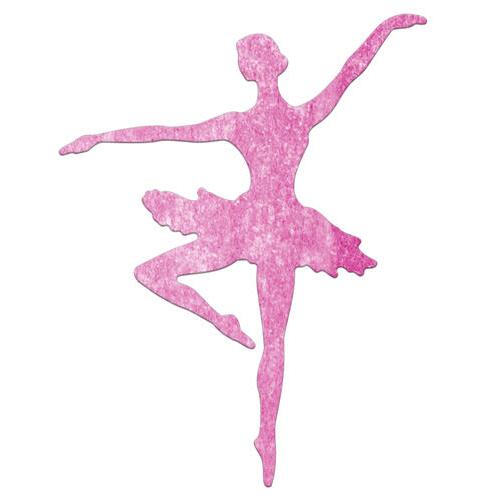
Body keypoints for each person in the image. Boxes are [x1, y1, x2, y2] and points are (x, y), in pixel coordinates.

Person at [60, 14, 426, 486]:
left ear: (250, 69)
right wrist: (387, 28)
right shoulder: (300, 116)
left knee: (162, 278)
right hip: (277, 229)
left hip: (258, 227)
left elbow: (166, 131)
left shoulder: (244, 123)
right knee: (273, 339)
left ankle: (259, 416)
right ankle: (263, 427)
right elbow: (350, 71)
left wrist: (100, 138)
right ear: (274, 65)